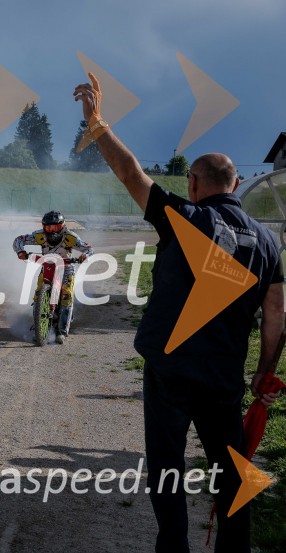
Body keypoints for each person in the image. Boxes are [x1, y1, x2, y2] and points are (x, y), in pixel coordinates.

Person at [74, 73, 285, 552]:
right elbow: (277, 314)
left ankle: (173, 545)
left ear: (193, 183)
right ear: (236, 184)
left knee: (167, 470)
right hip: (224, 378)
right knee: (233, 475)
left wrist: (98, 123)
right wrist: (265, 373)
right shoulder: (269, 241)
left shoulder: (185, 217)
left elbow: (131, 174)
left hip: (170, 372)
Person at [13, 211, 94, 344]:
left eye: (55, 227)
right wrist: (20, 251)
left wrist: (85, 256)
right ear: (44, 227)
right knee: (39, 293)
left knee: (66, 295)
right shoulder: (39, 235)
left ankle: (62, 331)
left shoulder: (71, 237)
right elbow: (19, 240)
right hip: (47, 266)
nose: (52, 231)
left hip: (66, 267)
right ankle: (38, 325)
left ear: (62, 225)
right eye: (48, 227)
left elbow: (89, 248)